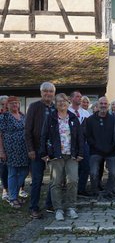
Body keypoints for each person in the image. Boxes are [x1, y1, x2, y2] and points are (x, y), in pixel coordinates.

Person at [40, 93, 83, 221]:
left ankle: (71, 207)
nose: (62, 103)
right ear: (56, 103)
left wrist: (80, 153)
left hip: (72, 155)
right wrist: (43, 153)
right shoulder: (51, 118)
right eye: (59, 101)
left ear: (68, 103)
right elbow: (44, 136)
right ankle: (58, 209)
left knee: (73, 181)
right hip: (55, 155)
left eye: (64, 101)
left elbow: (80, 137)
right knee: (56, 183)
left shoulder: (73, 118)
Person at [25, 82, 56, 218]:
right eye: (45, 91)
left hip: (53, 150)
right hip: (37, 149)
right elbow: (27, 130)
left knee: (54, 179)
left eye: (50, 91)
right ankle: (34, 207)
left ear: (54, 93)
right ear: (41, 93)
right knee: (37, 180)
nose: (48, 94)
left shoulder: (56, 108)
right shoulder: (34, 107)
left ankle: (49, 204)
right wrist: (30, 149)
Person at [0, 97, 29, 208]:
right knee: (12, 173)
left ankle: (13, 194)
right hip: (10, 149)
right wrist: (1, 151)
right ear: (7, 105)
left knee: (25, 171)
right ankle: (13, 198)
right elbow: (0, 135)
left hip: (24, 149)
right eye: (12, 103)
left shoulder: (23, 116)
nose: (15, 105)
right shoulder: (4, 117)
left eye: (16, 103)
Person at [86, 97, 115, 198]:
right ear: (97, 105)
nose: (103, 105)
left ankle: (109, 191)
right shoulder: (90, 120)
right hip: (95, 151)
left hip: (110, 151)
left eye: (105, 103)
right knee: (93, 172)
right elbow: (88, 136)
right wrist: (96, 146)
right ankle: (95, 191)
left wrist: (112, 147)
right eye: (101, 103)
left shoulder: (113, 119)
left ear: (108, 106)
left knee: (113, 172)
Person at [68, 91, 90, 196]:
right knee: (71, 168)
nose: (80, 98)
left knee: (85, 167)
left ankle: (81, 189)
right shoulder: (66, 111)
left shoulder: (85, 113)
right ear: (71, 98)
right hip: (70, 144)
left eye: (80, 97)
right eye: (77, 96)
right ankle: (70, 189)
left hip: (84, 143)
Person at [0, 95, 9, 201]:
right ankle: (5, 190)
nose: (5, 106)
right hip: (2, 146)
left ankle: (20, 189)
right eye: (3, 104)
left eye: (7, 104)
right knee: (3, 169)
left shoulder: (18, 114)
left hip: (14, 146)